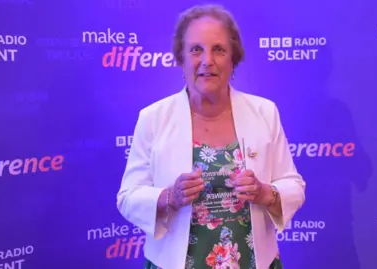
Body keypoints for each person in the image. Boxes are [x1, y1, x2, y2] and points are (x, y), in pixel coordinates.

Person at [116, 4, 306, 269]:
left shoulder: (264, 112)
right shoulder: (153, 118)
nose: (207, 60)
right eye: (196, 49)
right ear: (180, 58)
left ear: (233, 58)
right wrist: (170, 197)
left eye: (219, 49)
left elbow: (293, 185)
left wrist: (266, 193)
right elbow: (128, 197)